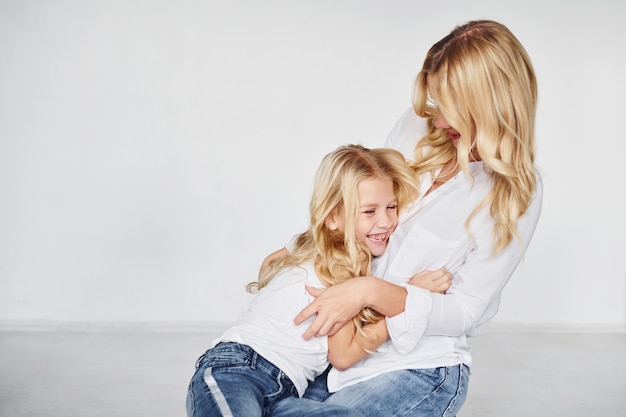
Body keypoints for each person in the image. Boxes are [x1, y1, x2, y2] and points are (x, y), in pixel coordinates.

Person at [267, 20, 543, 416]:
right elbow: (362, 207)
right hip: (339, 350)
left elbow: (466, 311)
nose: (439, 120)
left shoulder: (517, 192)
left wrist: (368, 291)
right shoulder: (417, 127)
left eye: (452, 109)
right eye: (436, 104)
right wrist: (300, 250)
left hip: (417, 367)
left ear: (491, 105)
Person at [186, 144, 450, 417]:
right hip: (238, 369)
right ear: (333, 217)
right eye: (369, 212)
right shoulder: (345, 263)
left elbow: (269, 263)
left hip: (286, 391)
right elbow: (343, 355)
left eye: (391, 207)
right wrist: (409, 299)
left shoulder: (313, 244)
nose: (385, 221)